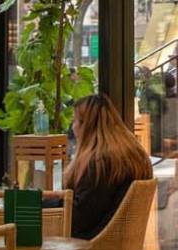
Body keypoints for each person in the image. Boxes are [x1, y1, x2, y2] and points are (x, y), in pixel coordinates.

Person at [56, 94, 153, 240]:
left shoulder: (101, 164)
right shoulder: (132, 156)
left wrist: (39, 205)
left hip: (87, 249)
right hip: (115, 244)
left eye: (75, 120)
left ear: (86, 125)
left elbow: (78, 218)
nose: (73, 127)